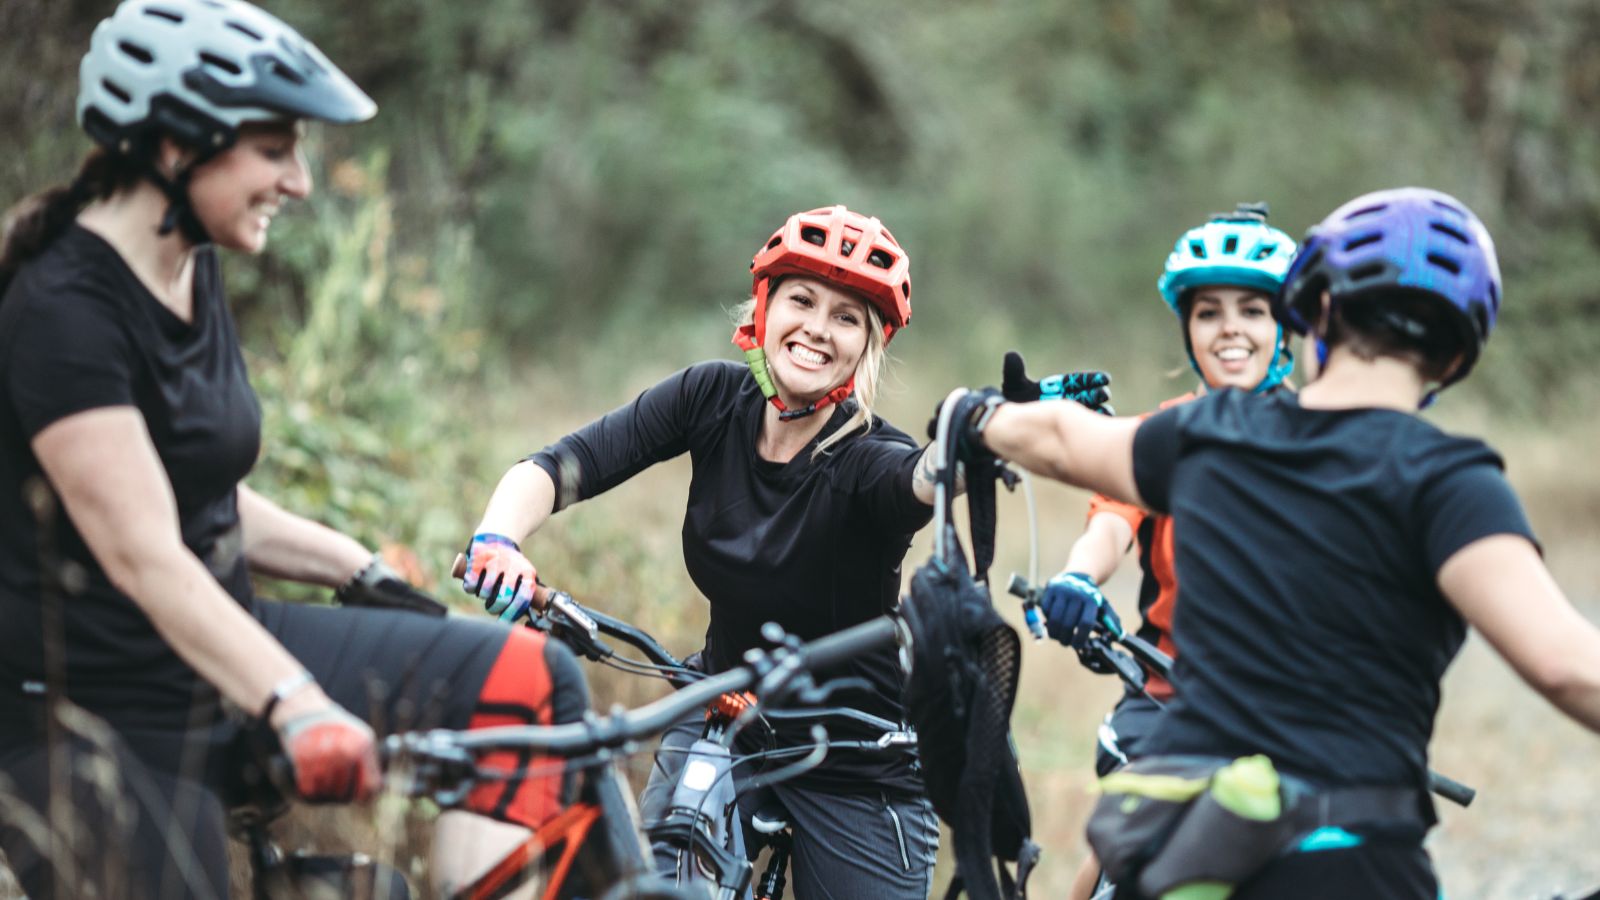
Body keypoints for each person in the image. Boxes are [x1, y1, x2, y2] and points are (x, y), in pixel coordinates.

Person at [0, 2, 588, 897]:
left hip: (225, 640)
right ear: (173, 147)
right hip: (92, 710)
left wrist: (354, 568)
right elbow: (143, 551)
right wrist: (298, 702)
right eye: (276, 151)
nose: (302, 182)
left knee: (523, 681)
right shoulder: (62, 312)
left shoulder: (186, 260)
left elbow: (194, 490)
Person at [947, 187, 1600, 898]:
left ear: (1315, 311)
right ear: (1454, 358)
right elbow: (1568, 666)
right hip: (1347, 859)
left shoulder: (1211, 436)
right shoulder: (1449, 483)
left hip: (1185, 857)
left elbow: (1062, 439)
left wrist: (977, 416)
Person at [1019, 205, 1296, 899]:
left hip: (1297, 702)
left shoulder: (1325, 442)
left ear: (1287, 327)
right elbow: (1112, 522)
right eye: (1209, 313)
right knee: (1121, 846)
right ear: (1188, 329)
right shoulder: (1161, 435)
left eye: (1254, 310)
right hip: (1172, 691)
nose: (1231, 328)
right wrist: (1079, 580)